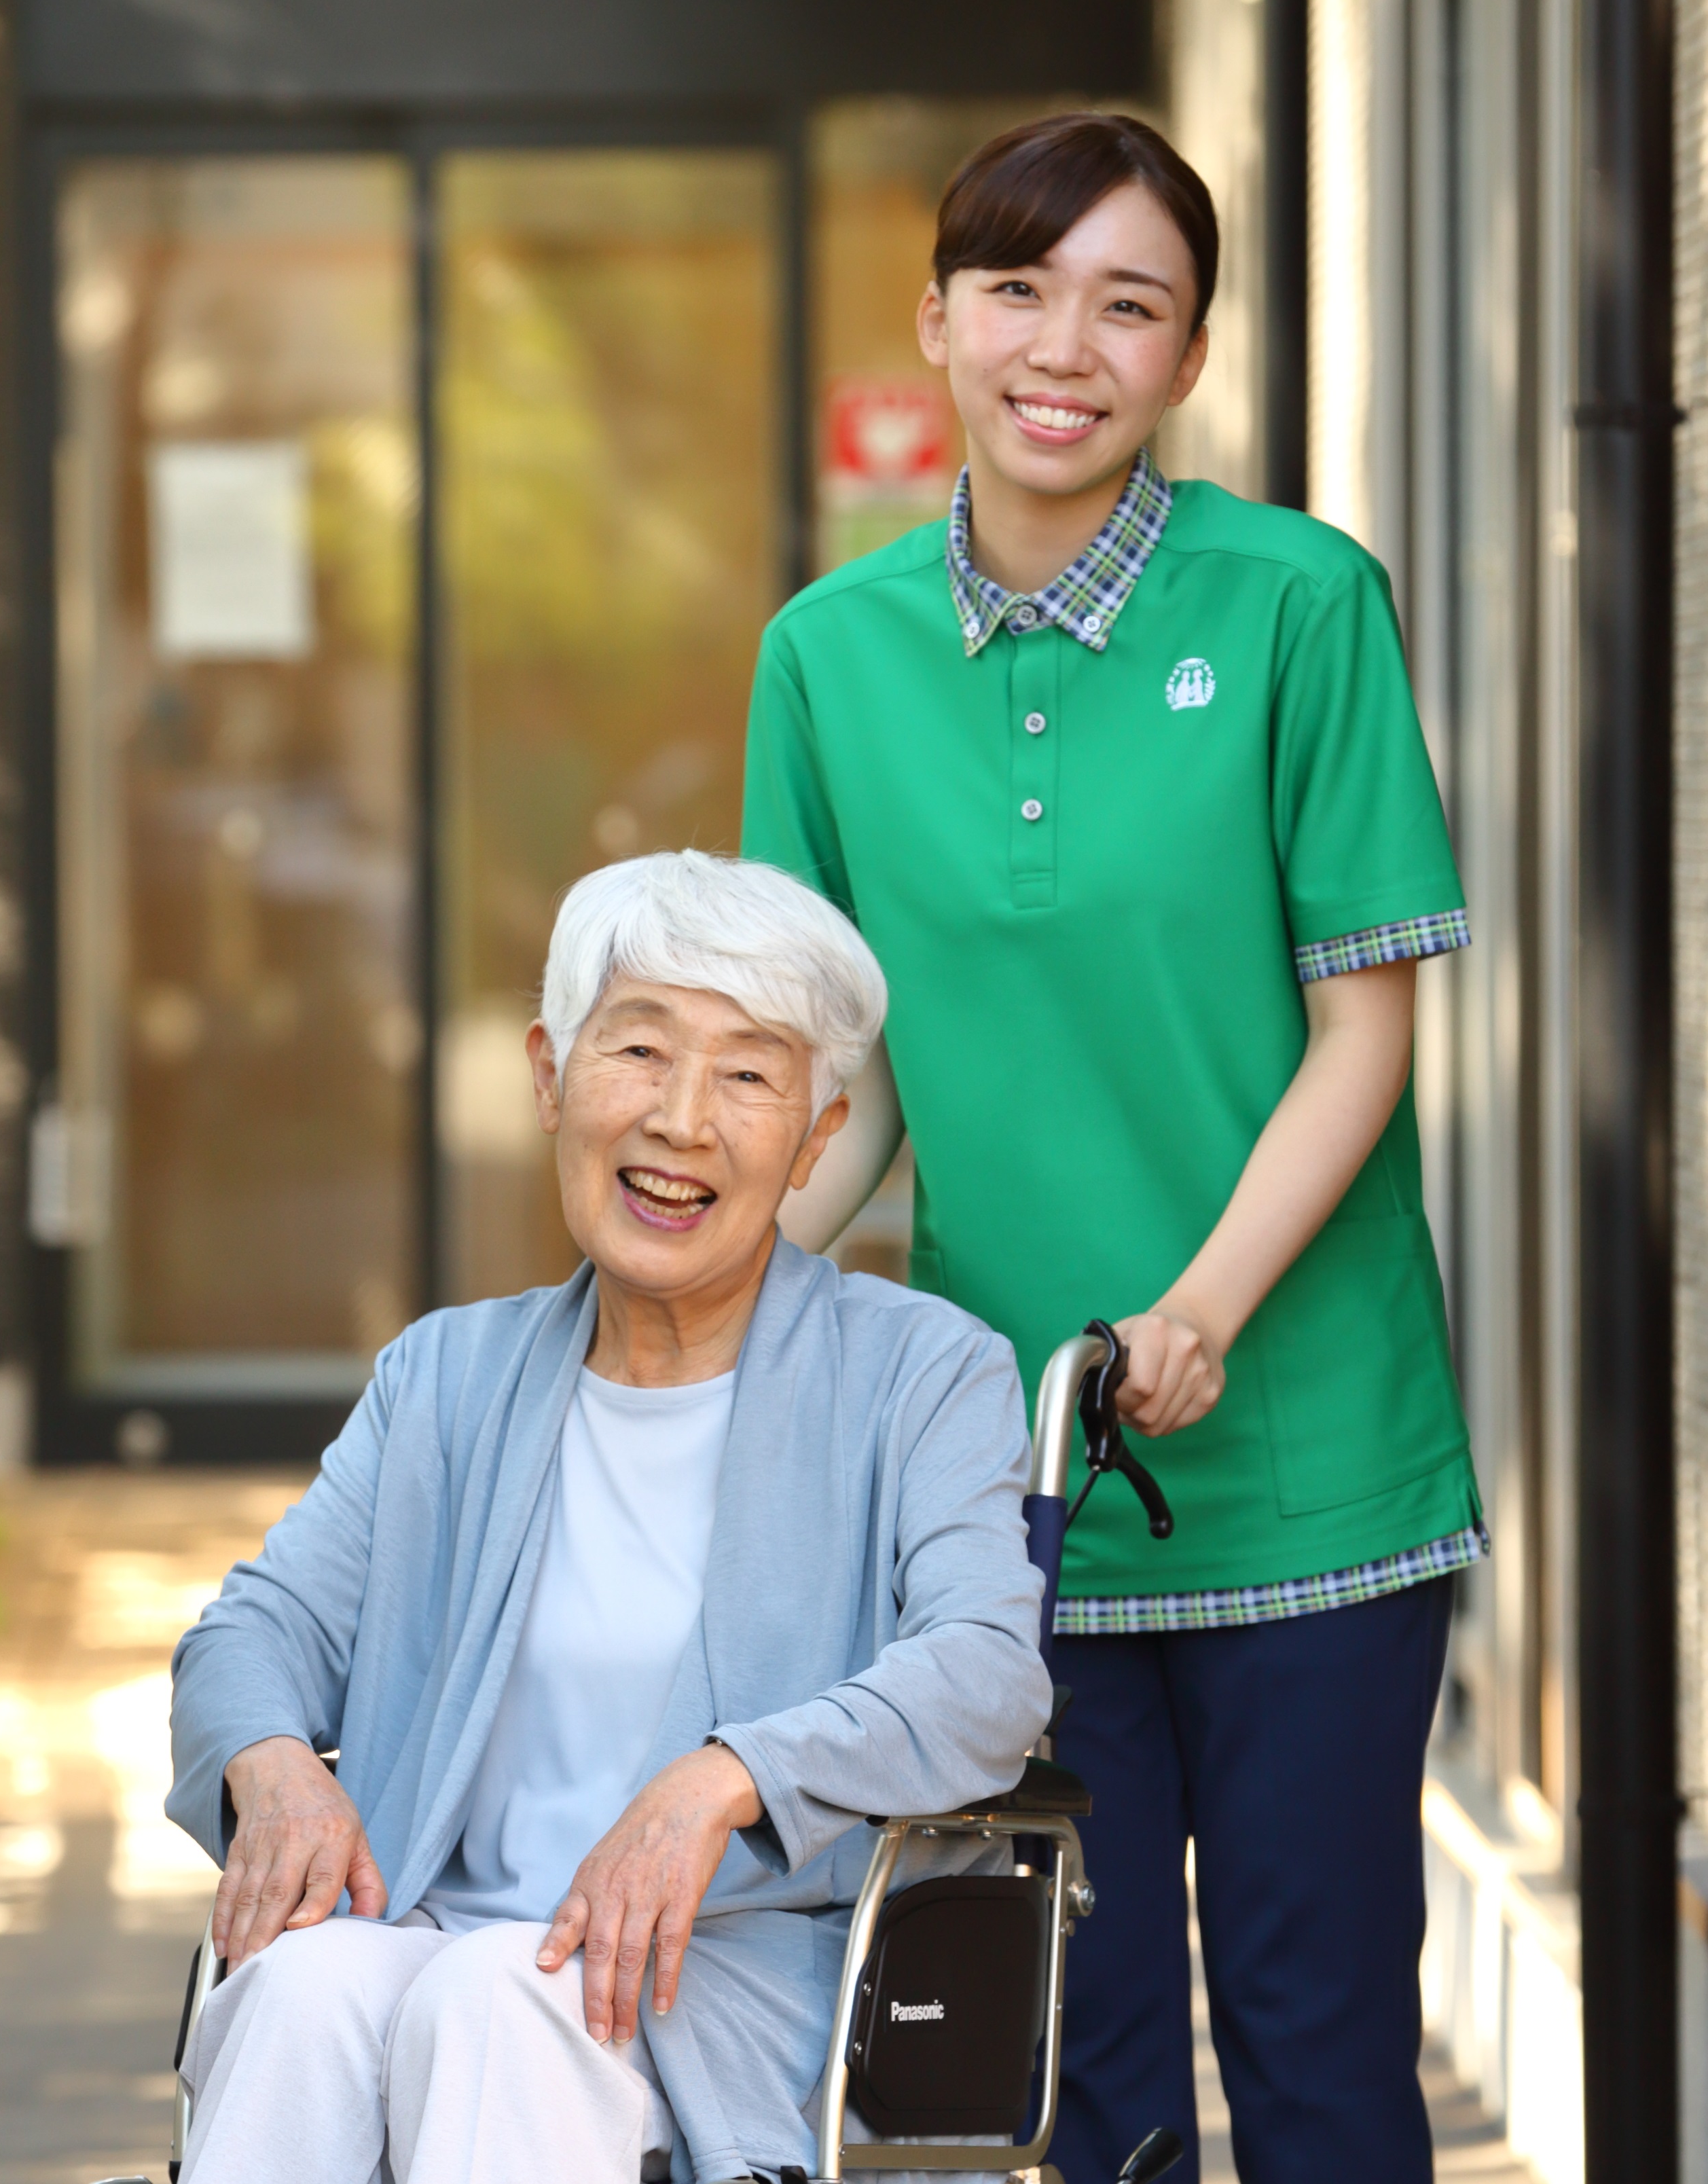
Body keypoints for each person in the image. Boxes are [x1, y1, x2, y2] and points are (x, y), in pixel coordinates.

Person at [744, 111, 1478, 2184]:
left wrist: (1200, 1309)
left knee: (1320, 2042)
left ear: (1189, 354)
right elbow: (850, 1068)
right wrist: (733, 1292)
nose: (1063, 344)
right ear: (941, 320)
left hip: (1308, 1459)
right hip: (1006, 1484)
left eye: (1127, 304)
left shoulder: (1299, 606)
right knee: (1067, 2067)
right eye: (1018, 290)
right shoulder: (827, 655)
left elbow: (1366, 1028)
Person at [164, 850, 1051, 2184]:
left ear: (817, 1135)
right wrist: (274, 1761)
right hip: (438, 1929)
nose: (682, 1119)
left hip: (730, 1981)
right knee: (297, 1988)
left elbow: (988, 1671)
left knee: (489, 1998)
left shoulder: (919, 1372)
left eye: (749, 1074)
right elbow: (258, 1625)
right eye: (638, 1048)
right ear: (547, 1075)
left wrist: (724, 1774)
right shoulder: (445, 1375)